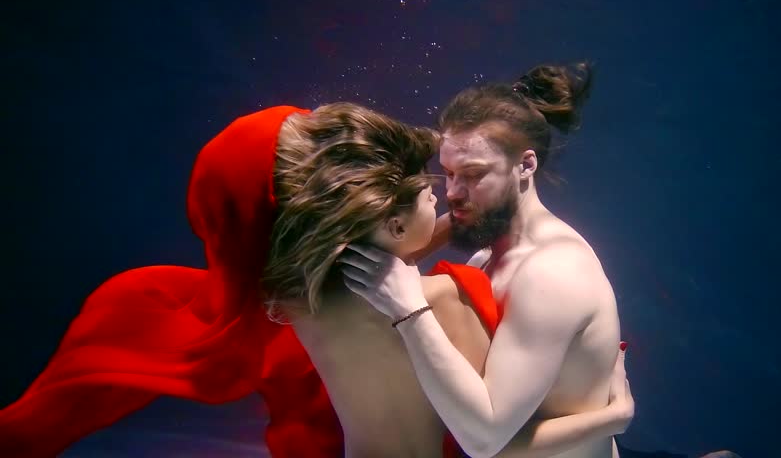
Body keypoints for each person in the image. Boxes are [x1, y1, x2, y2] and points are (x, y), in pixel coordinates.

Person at [0, 102, 632, 457]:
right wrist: (612, 418)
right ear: (386, 221)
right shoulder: (439, 298)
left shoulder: (293, 297)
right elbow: (492, 444)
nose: (444, 197)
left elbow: (395, 239)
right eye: (431, 187)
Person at [340, 63, 629, 458]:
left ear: (526, 165)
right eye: (448, 173)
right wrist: (611, 419)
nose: (452, 192)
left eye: (473, 174)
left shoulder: (552, 274)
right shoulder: (490, 255)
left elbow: (484, 440)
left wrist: (408, 310)